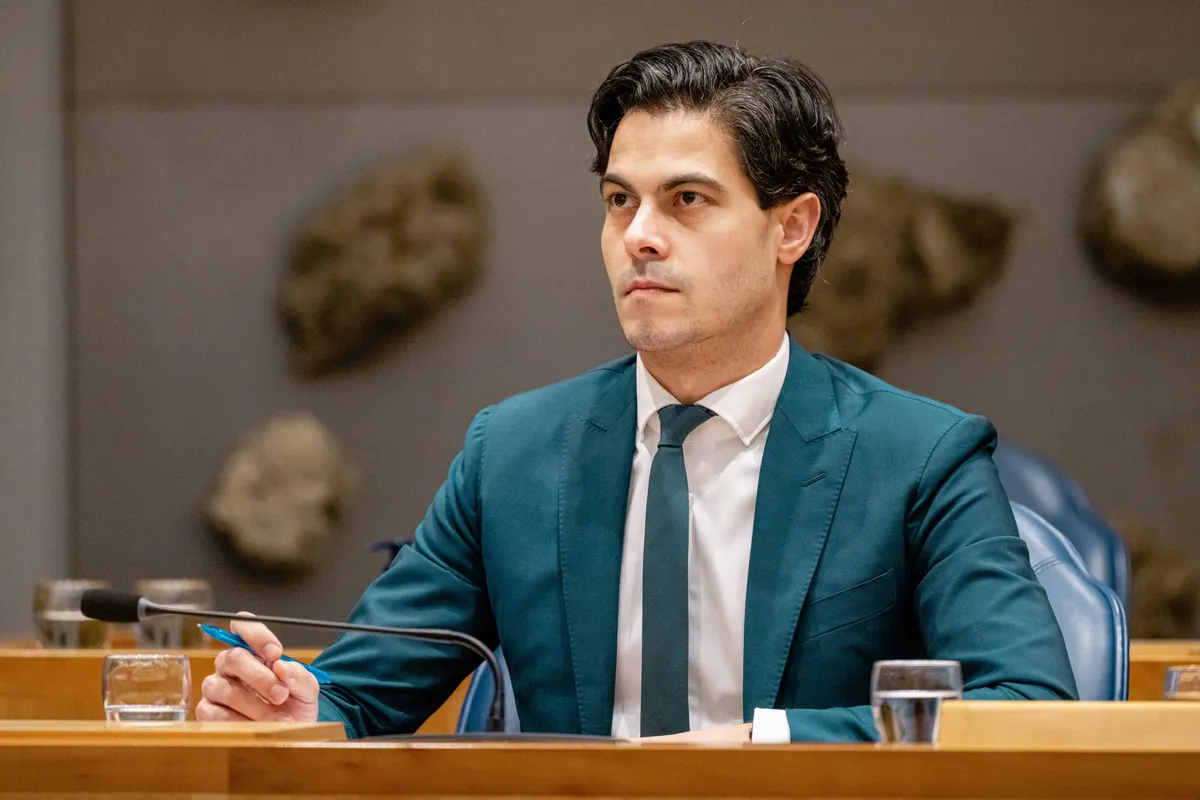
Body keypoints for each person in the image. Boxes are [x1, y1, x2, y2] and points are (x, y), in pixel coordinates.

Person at [197, 41, 1077, 743]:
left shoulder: (920, 457)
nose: (639, 237)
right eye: (621, 201)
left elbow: (1028, 706)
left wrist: (765, 745)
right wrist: (299, 708)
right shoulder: (513, 454)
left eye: (686, 199)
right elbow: (358, 696)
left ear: (792, 228)